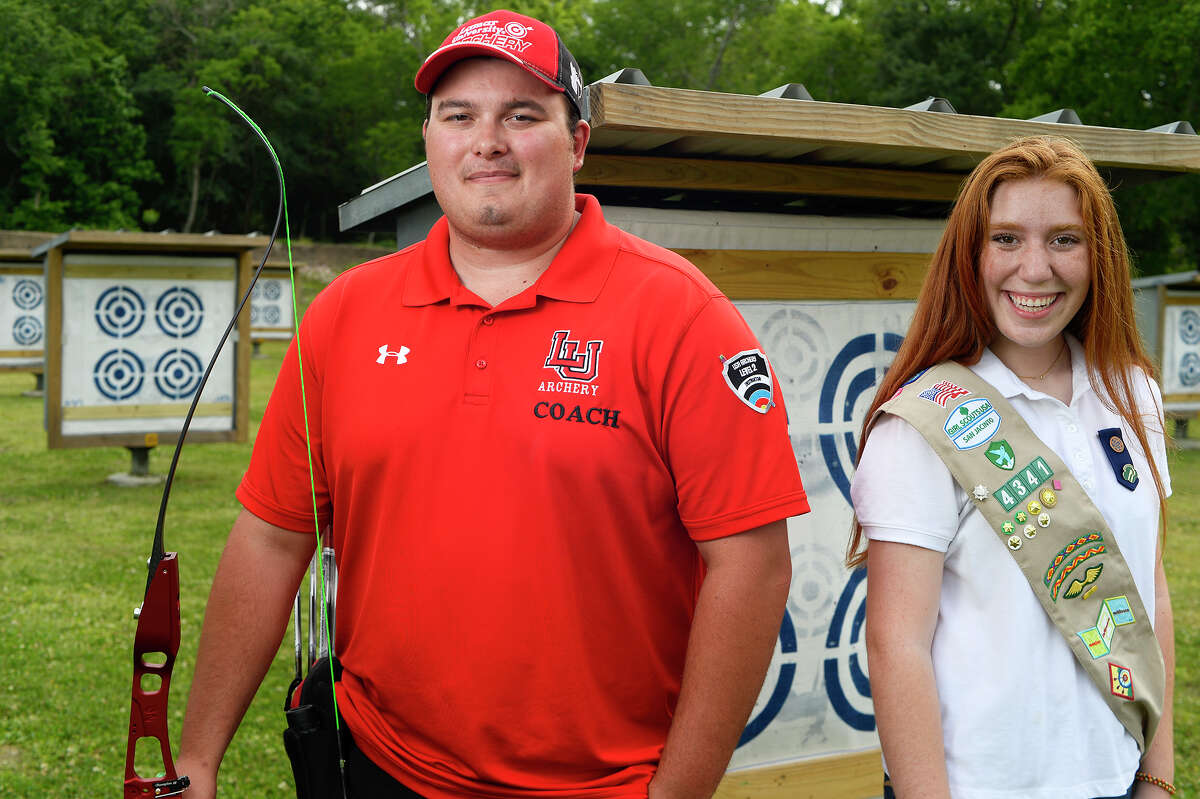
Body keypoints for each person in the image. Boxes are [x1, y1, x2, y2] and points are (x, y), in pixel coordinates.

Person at [176, 9, 809, 799]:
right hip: (380, 767)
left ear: (577, 142)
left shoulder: (682, 316)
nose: (488, 141)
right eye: (459, 115)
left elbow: (751, 567)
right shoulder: (346, 313)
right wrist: (196, 758)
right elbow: (271, 538)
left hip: (604, 783)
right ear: (429, 138)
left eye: (523, 114)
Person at [848, 136, 1175, 799]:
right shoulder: (920, 425)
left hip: (1119, 779)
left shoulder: (1131, 393)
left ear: (1099, 255)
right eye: (1006, 239)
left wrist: (1156, 776)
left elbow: (1151, 591)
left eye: (1063, 239)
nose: (1035, 268)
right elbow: (895, 645)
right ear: (971, 253)